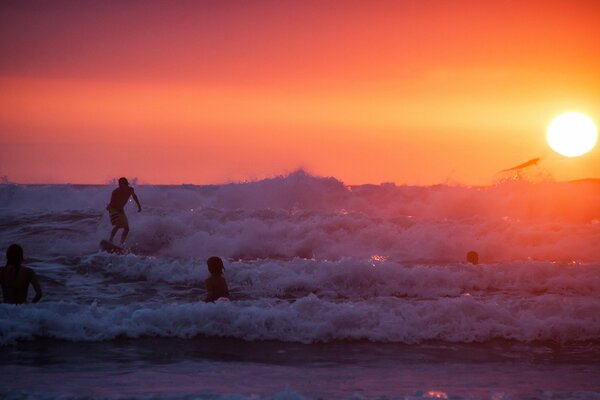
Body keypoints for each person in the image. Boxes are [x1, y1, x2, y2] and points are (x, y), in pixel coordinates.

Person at [107, 177, 142, 245]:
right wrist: (108, 207)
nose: (119, 185)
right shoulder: (115, 191)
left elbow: (134, 197)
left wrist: (139, 206)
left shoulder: (130, 189)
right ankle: (110, 240)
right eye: (119, 183)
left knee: (127, 228)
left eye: (121, 183)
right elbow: (111, 202)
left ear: (125, 183)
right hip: (113, 209)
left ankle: (121, 244)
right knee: (118, 225)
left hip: (121, 210)